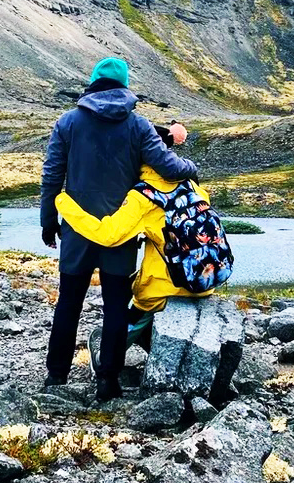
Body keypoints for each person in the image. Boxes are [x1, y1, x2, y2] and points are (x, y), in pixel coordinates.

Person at [40, 58, 198, 401]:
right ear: (124, 86)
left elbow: (52, 176)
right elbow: (168, 168)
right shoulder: (138, 126)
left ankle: (56, 377)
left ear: (92, 82)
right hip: (123, 231)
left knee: (68, 301)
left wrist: (48, 222)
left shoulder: (67, 123)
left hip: (78, 231)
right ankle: (108, 381)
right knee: (115, 305)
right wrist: (191, 166)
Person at [54, 122, 219, 374]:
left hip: (168, 288)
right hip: (206, 280)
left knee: (132, 306)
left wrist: (64, 203)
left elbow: (108, 235)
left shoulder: (144, 197)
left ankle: (103, 363)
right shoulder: (194, 187)